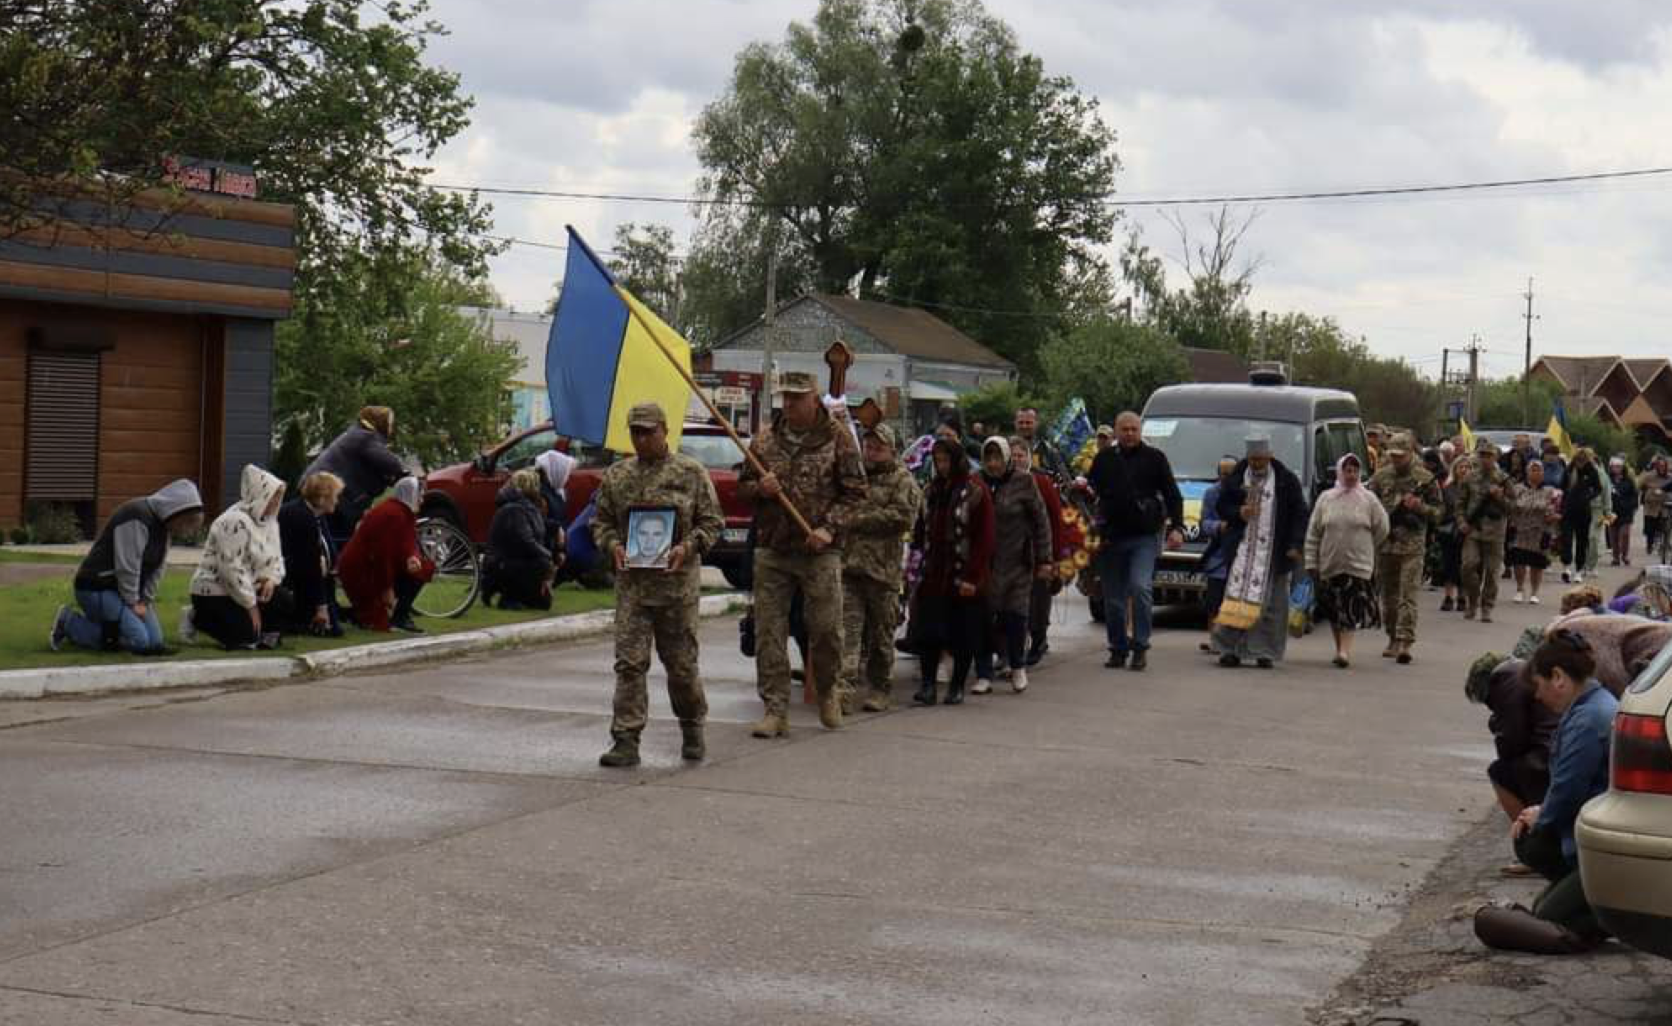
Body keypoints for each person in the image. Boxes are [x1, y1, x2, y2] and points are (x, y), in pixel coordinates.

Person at [590, 402, 723, 767]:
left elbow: (713, 523)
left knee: (681, 668)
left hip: (676, 589)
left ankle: (692, 727)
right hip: (633, 588)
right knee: (629, 665)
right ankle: (626, 738)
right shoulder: (617, 476)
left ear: (665, 431)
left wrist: (688, 546)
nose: (642, 439)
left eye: (649, 431)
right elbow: (600, 522)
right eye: (636, 432)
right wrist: (613, 545)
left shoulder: (690, 473)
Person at [738, 371, 868, 737]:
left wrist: (829, 527)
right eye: (786, 398)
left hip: (819, 551)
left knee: (826, 630)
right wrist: (760, 488)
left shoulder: (839, 439)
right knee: (769, 632)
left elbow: (857, 492)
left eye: (797, 398)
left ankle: (828, 689)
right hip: (774, 549)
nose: (790, 404)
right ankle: (775, 708)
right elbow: (743, 487)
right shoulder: (765, 440)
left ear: (815, 398)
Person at [1476, 629, 1617, 953]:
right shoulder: (1590, 705)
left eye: (1538, 686)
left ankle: (1616, 916)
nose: (1537, 696)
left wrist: (1540, 813)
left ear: (1558, 677)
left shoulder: (1588, 719)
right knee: (1530, 843)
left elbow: (1568, 789)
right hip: (1590, 836)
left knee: (1546, 915)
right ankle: (1584, 900)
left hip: (1601, 850)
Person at [52, 480, 205, 655]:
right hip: (97, 587)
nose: (185, 532)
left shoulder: (164, 528)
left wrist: (145, 601)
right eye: (186, 525)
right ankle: (70, 623)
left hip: (123, 592)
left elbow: (157, 568)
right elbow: (127, 566)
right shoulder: (137, 516)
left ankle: (103, 625)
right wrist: (133, 603)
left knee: (155, 643)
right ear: (176, 513)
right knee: (138, 641)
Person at [1085, 411, 1184, 671]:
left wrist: (1177, 527)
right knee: (1114, 599)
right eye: (1124, 429)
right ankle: (1118, 648)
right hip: (1111, 539)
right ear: (1116, 432)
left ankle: (1140, 647)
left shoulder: (1155, 458)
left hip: (1144, 537)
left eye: (1134, 429)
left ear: (1141, 431)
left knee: (1140, 588)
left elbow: (1173, 496)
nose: (1129, 434)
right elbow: (1089, 493)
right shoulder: (1104, 459)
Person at [837, 423, 921, 714]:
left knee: (881, 637)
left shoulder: (903, 481)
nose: (871, 453)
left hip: (882, 573)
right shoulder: (856, 478)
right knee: (847, 633)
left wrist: (860, 517)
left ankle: (879, 688)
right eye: (868, 447)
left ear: (891, 449)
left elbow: (903, 517)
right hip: (850, 568)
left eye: (878, 448)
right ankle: (843, 691)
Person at [910, 437, 995, 706]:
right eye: (938, 461)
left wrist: (973, 577)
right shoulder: (931, 490)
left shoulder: (975, 491)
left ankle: (957, 685)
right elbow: (919, 529)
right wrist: (914, 564)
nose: (942, 466)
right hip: (933, 573)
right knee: (928, 632)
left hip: (962, 574)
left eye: (946, 460)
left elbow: (984, 538)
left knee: (962, 633)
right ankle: (927, 685)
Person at [1209, 437, 1308, 668]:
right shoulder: (1236, 478)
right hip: (1242, 550)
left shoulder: (1285, 480)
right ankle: (1229, 649)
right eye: (1253, 459)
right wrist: (1238, 512)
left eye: (1261, 459)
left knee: (1272, 605)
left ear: (1270, 455)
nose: (1256, 463)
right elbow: (1222, 506)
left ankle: (1265, 651)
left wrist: (1295, 544)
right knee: (1235, 598)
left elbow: (1299, 513)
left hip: (1274, 552)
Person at [972, 437, 1052, 695]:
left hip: (1018, 560)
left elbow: (1041, 521)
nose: (993, 464)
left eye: (998, 458)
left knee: (1016, 615)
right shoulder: (977, 482)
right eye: (989, 458)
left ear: (1007, 458)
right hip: (987, 564)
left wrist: (1045, 560)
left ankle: (1018, 665)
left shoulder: (1023, 481)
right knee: (984, 617)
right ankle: (983, 673)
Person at [185, 466, 289, 649]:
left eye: (279, 497)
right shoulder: (233, 521)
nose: (276, 502)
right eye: (273, 496)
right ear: (260, 494)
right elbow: (231, 570)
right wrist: (251, 606)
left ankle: (263, 633)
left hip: (251, 586)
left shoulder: (271, 523)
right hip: (216, 590)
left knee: (283, 599)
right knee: (244, 638)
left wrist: (271, 580)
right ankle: (197, 617)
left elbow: (277, 559)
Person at [1304, 453, 1389, 668]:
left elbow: (1382, 528)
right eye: (1347, 471)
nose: (1351, 475)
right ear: (1340, 472)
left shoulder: (1369, 499)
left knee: (1350, 608)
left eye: (1355, 471)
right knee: (1335, 609)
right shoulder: (1326, 498)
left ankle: (1344, 651)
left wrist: (1367, 547)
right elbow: (1313, 533)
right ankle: (1339, 647)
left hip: (1358, 565)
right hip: (1330, 563)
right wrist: (1311, 562)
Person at [1465, 654, 1557, 845]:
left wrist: (1497, 725)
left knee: (1500, 772)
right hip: (1555, 746)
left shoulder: (1507, 681)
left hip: (1547, 755)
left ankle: (1531, 844)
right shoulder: (1520, 670)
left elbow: (1511, 741)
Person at [1368, 433, 1442, 662]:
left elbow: (1439, 513)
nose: (1397, 460)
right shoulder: (1380, 477)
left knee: (1408, 595)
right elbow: (1369, 506)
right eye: (1393, 456)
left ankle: (1405, 642)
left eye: (1401, 456)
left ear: (1410, 453)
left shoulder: (1425, 478)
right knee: (1388, 598)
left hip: (1412, 545)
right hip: (1386, 545)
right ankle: (1392, 636)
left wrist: (1420, 507)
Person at [337, 476, 434, 633]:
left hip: (371, 565)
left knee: (422, 568)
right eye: (420, 495)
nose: (421, 501)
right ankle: (394, 617)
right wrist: (386, 588)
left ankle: (399, 616)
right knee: (377, 621)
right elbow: (383, 554)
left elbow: (409, 541)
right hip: (362, 569)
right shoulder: (393, 514)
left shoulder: (403, 512)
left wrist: (413, 557)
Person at [301, 405, 405, 543]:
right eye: (390, 423)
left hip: (315, 486)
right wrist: (402, 474)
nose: (391, 428)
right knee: (342, 535)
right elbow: (392, 464)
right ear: (381, 423)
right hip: (328, 491)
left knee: (335, 534)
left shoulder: (356, 433)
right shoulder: (366, 437)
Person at [1019, 439, 1079, 665]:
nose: (1016, 460)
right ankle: (1012, 648)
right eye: (1012, 455)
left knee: (1038, 598)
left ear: (1028, 458)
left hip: (1040, 550)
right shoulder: (1001, 482)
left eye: (1020, 455)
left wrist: (1057, 555)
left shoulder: (1041, 482)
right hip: (1012, 551)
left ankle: (1038, 639)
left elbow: (1055, 519)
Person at [275, 471, 346, 637]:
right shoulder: (301, 516)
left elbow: (326, 550)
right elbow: (309, 563)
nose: (337, 501)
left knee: (335, 629)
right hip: (293, 578)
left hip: (312, 575)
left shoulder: (316, 515)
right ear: (322, 498)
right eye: (334, 496)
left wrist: (330, 564)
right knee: (331, 630)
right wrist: (321, 607)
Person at [481, 469, 556, 611]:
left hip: (512, 560)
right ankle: (508, 596)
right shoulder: (514, 509)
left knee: (542, 604)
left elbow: (537, 532)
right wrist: (548, 557)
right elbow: (525, 540)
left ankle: (521, 595)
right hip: (502, 564)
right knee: (541, 563)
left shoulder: (527, 507)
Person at [1456, 438, 1511, 623]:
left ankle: (1487, 607)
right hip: (1473, 530)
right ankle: (1473, 600)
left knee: (1492, 572)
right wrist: (1462, 521)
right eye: (1482, 455)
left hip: (1495, 532)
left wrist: (1500, 497)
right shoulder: (1469, 478)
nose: (1485, 459)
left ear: (1495, 457)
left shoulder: (1504, 479)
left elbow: (1514, 507)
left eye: (1489, 455)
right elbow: (1460, 503)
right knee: (1468, 565)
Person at [1196, 456, 1238, 647]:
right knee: (1214, 601)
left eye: (1231, 474)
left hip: (1239, 555)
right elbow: (1204, 523)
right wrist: (1218, 526)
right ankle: (1214, 640)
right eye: (1223, 474)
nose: (1227, 478)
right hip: (1218, 554)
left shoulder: (1244, 492)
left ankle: (1233, 641)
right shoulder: (1211, 493)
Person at [1507, 459, 1559, 605]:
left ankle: (1534, 592)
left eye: (1539, 470)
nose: (1536, 473)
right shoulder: (1517, 488)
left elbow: (1556, 509)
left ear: (1543, 473)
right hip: (1520, 529)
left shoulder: (1550, 491)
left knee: (1537, 563)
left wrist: (1554, 516)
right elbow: (1510, 506)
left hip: (1541, 530)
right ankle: (1519, 589)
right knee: (1519, 561)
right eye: (1533, 470)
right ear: (1527, 472)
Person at [1558, 448, 1602, 583]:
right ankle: (1566, 566)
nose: (1580, 463)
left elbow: (1598, 488)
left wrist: (1588, 496)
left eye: (1583, 460)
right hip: (1568, 510)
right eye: (1578, 460)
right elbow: (1562, 485)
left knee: (1582, 542)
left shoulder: (1591, 471)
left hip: (1583, 511)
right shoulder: (1569, 469)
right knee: (1566, 539)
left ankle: (1578, 570)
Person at [1434, 453, 1468, 612]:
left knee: (1465, 565)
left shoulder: (1473, 489)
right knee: (1449, 564)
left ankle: (1462, 596)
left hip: (1468, 531)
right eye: (1461, 467)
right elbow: (1442, 509)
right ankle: (1449, 596)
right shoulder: (1447, 488)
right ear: (1455, 469)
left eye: (1467, 467)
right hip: (1449, 531)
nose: (1464, 470)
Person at [535, 449, 575, 553]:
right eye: (566, 473)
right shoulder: (541, 494)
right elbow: (538, 521)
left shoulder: (555, 490)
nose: (567, 478)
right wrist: (557, 528)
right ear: (556, 470)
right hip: (546, 550)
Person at [1014, 406, 1069, 482]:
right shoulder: (1005, 449)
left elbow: (1066, 480)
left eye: (1028, 422)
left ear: (1037, 423)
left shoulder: (1049, 450)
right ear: (1015, 423)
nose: (1024, 426)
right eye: (1021, 422)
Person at [1607, 456, 1638, 566]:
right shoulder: (1607, 480)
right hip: (1611, 511)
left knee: (1624, 534)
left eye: (1618, 466)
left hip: (1626, 512)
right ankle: (1616, 557)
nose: (1616, 469)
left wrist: (1632, 506)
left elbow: (1634, 495)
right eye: (1613, 467)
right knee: (1613, 535)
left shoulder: (1628, 481)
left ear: (1622, 468)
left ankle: (1624, 555)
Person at [1638, 455, 1671, 557]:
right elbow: (1639, 484)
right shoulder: (1649, 476)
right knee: (1650, 529)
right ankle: (1650, 543)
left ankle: (1664, 545)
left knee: (1664, 526)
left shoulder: (1669, 477)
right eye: (1659, 465)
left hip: (1664, 505)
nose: (1661, 467)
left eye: (1663, 466)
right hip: (1651, 506)